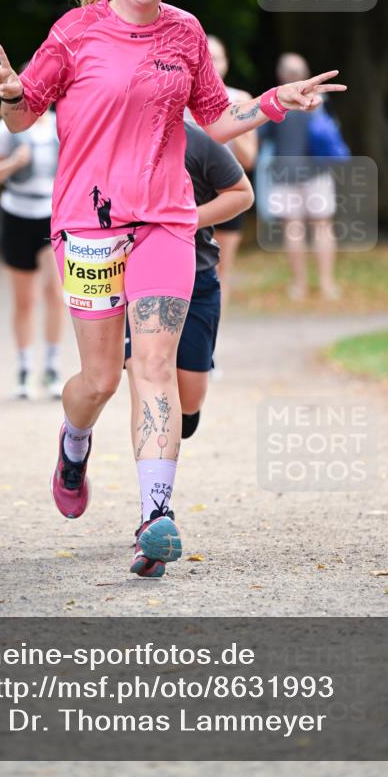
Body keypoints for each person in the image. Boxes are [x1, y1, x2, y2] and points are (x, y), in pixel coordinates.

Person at [0, 0, 345, 578]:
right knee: (98, 379)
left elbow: (213, 117)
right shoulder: (76, 30)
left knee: (153, 363)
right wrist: (9, 96)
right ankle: (74, 440)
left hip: (167, 221)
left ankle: (154, 515)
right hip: (89, 225)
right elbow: (26, 110)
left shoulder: (185, 31)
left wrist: (269, 102)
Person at [124, 120, 253, 573]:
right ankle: (153, 514)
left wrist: (183, 218)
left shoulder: (193, 139)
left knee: (189, 400)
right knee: (146, 375)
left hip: (195, 276)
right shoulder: (105, 134)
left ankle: (177, 429)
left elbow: (242, 193)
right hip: (130, 276)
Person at [0, 104, 65, 399]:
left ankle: (52, 366)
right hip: (16, 215)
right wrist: (12, 163)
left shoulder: (61, 124)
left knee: (55, 291)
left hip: (51, 216)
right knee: (25, 300)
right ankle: (24, 368)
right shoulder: (6, 128)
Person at [262, 52, 341, 301]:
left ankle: (299, 286)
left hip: (285, 173)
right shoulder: (321, 100)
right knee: (322, 226)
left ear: (281, 74)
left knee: (293, 229)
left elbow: (264, 136)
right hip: (317, 172)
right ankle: (327, 285)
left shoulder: (275, 102)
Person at [205, 35, 258, 303]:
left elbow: (249, 159)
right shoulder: (181, 99)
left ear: (226, 63)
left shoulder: (242, 100)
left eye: (217, 58)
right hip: (192, 195)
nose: (212, 64)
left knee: (219, 273)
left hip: (228, 193)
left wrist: (227, 118)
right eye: (207, 57)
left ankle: (213, 342)